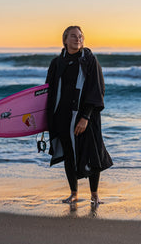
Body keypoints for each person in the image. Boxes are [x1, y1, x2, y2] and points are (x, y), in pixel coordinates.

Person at [45, 26, 113, 205]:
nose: (78, 39)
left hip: (85, 117)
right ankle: (73, 193)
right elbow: (48, 92)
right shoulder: (57, 63)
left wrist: (85, 117)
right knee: (69, 154)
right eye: (73, 36)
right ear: (65, 40)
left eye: (81, 36)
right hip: (63, 116)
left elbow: (96, 89)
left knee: (92, 152)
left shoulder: (89, 60)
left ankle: (95, 195)